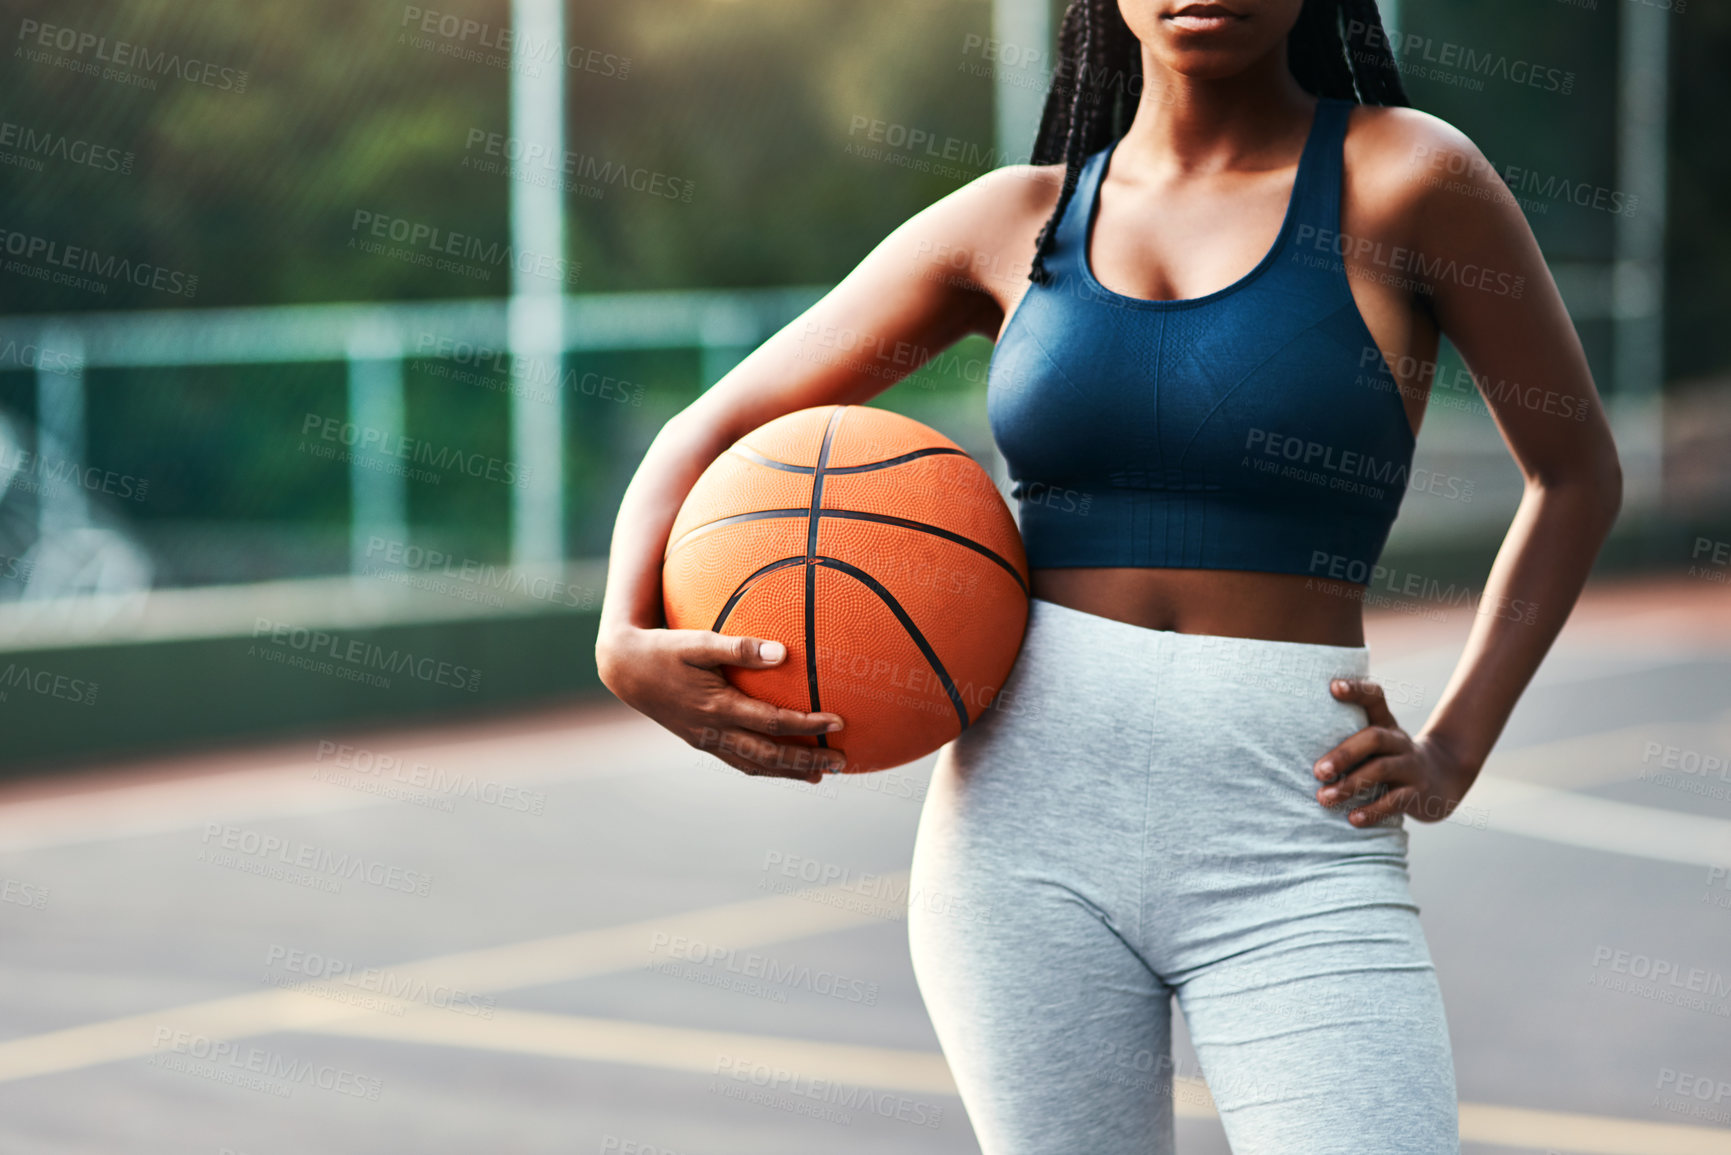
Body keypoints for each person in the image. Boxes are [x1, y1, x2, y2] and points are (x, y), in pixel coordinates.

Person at [595, 0, 1622, 1150]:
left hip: (1296, 838)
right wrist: (621, 636)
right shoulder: (1012, 220)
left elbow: (1576, 474)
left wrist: (1452, 751)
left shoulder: (1410, 178)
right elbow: (710, 427)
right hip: (1022, 847)